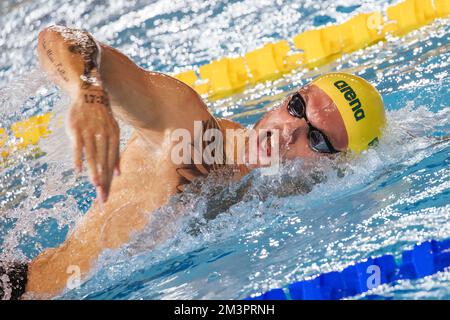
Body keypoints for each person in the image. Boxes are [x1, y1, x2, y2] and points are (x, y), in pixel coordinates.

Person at [0, 25, 386, 300]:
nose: (287, 131)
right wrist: (89, 95)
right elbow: (63, 40)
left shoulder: (291, 194)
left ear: (339, 165)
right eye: (296, 107)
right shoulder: (194, 137)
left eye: (316, 139)